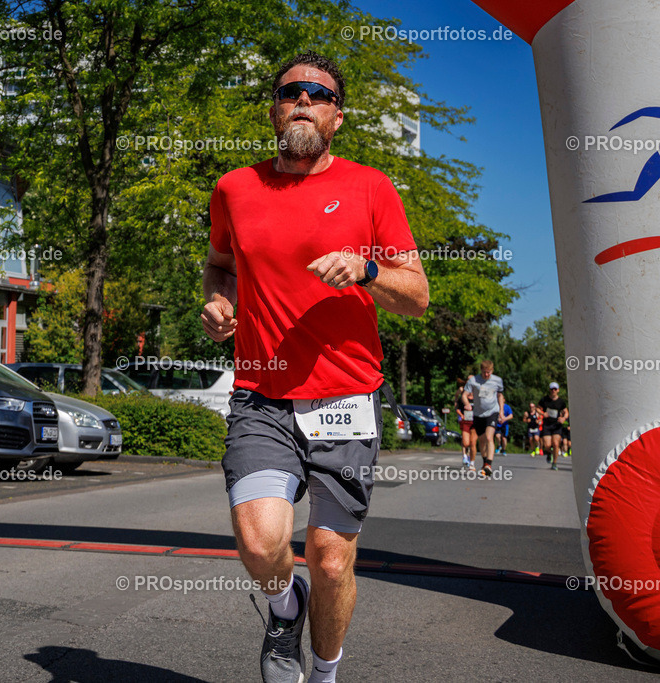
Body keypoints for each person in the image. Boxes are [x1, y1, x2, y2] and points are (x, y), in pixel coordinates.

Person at [201, 52, 428, 683]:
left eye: (318, 94)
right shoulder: (234, 188)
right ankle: (283, 606)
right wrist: (218, 300)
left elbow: (417, 295)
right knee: (259, 541)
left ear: (337, 117)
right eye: (290, 92)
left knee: (330, 561)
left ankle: (324, 674)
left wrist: (369, 269)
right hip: (261, 393)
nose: (304, 100)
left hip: (345, 396)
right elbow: (221, 263)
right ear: (274, 109)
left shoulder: (370, 187)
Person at [464, 361, 505, 477]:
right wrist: (467, 403)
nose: (486, 375)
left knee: (489, 437)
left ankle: (489, 464)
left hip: (492, 412)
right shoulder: (473, 380)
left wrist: (501, 411)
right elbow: (464, 395)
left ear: (492, 371)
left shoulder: (497, 380)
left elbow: (500, 395)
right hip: (478, 414)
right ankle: (484, 462)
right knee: (481, 441)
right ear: (480, 370)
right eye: (484, 372)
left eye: (489, 372)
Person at [538, 382, 569, 471]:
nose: (553, 391)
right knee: (547, 445)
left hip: (557, 425)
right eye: (552, 389)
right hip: (547, 425)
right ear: (549, 390)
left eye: (555, 389)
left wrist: (563, 418)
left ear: (558, 390)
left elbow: (566, 412)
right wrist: (543, 413)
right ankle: (549, 453)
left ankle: (554, 463)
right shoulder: (544, 400)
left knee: (556, 444)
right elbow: (537, 408)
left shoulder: (561, 402)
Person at [454, 377, 476, 469]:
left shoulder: (477, 394)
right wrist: (460, 414)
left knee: (473, 442)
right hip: (465, 420)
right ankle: (464, 455)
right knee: (465, 441)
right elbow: (456, 400)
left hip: (474, 421)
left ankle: (471, 460)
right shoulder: (462, 392)